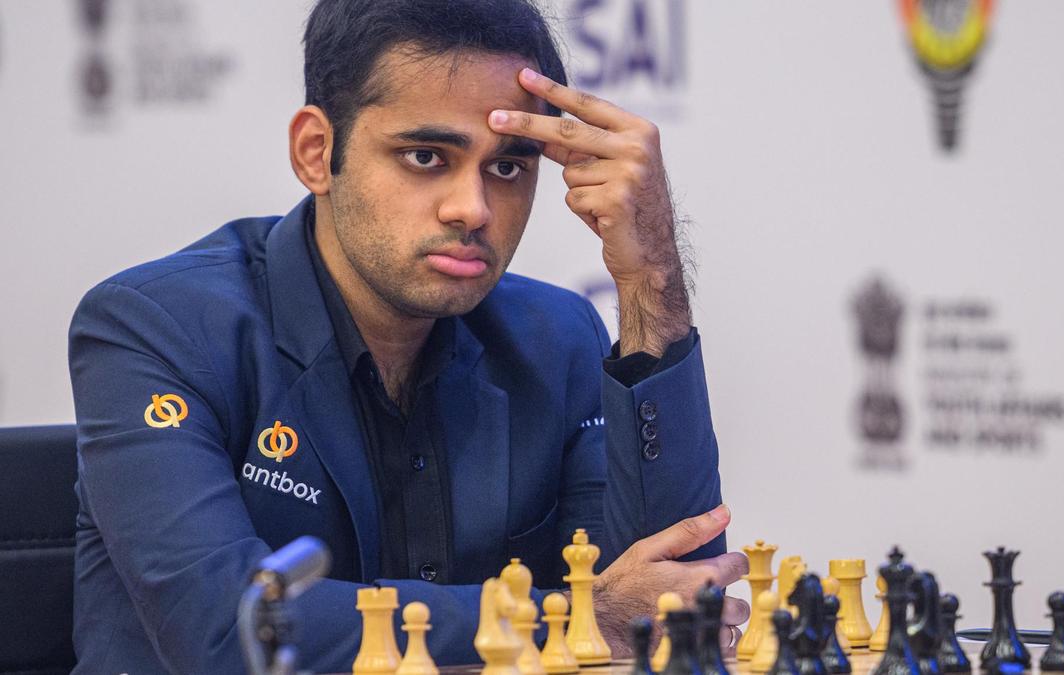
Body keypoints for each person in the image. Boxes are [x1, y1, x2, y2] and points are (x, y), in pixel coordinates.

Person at [67, 1, 749, 672]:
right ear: (316, 152)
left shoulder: (556, 337)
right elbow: (227, 629)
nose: (472, 209)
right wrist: (577, 615)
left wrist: (650, 279)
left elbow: (674, 605)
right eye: (426, 156)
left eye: (507, 167)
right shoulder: (156, 328)